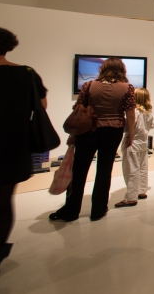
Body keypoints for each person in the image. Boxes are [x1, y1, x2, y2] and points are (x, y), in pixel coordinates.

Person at [50, 58, 136, 222]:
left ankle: (71, 210)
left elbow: (78, 108)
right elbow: (130, 114)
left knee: (79, 170)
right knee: (104, 170)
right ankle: (98, 210)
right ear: (122, 70)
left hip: (88, 131)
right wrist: (130, 135)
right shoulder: (127, 88)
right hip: (113, 132)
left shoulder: (88, 85)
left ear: (102, 69)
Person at [0, 28, 48, 267]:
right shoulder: (26, 74)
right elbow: (41, 106)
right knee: (4, 201)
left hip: (12, 146)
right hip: (13, 145)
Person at [115, 88, 154, 208]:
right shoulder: (148, 112)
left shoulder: (135, 112)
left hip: (132, 144)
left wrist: (130, 135)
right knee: (142, 168)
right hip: (143, 144)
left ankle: (131, 198)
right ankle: (141, 191)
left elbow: (128, 127)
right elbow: (151, 126)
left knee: (131, 170)